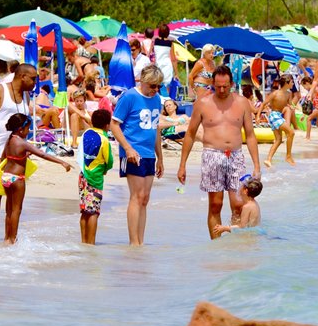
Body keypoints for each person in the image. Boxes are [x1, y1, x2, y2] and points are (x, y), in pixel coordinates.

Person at [178, 65, 262, 240]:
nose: (222, 90)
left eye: (226, 86)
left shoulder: (242, 102)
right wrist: (182, 165)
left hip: (236, 156)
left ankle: (236, 245)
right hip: (212, 156)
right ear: (212, 84)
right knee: (216, 205)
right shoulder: (203, 104)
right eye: (218, 86)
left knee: (239, 204)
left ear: (231, 83)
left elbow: (251, 135)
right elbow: (190, 134)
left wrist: (256, 165)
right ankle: (217, 246)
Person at [0, 63, 37, 243]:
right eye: (33, 78)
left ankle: (9, 237)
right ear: (22, 77)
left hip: (16, 150)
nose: (35, 82)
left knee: (13, 193)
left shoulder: (26, 95)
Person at [0, 113, 73, 244]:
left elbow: (5, 157)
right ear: (21, 129)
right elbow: (43, 154)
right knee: (16, 210)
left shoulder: (9, 140)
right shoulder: (22, 143)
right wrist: (62, 162)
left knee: (9, 210)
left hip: (6, 177)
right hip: (17, 178)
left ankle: (6, 238)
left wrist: (22, 157)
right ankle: (13, 239)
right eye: (27, 129)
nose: (28, 131)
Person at [110, 64, 164, 246]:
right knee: (136, 196)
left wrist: (160, 158)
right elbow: (114, 125)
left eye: (159, 86)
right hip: (132, 152)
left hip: (149, 154)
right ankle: (134, 242)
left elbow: (156, 130)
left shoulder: (157, 100)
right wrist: (128, 148)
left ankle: (141, 241)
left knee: (145, 198)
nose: (155, 90)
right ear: (143, 81)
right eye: (152, 86)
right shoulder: (130, 96)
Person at [79, 109, 114, 244]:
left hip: (83, 175)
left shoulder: (86, 133)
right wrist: (105, 169)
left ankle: (84, 241)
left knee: (84, 210)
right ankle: (91, 243)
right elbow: (109, 161)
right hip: (96, 178)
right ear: (107, 125)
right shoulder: (105, 140)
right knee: (93, 212)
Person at [258, 74, 296, 168]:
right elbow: (263, 104)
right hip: (274, 115)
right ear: (287, 82)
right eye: (292, 81)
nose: (293, 83)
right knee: (291, 132)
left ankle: (268, 160)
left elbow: (289, 104)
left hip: (279, 115)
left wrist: (293, 107)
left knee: (278, 140)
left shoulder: (289, 94)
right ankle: (288, 156)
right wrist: (258, 116)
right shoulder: (275, 93)